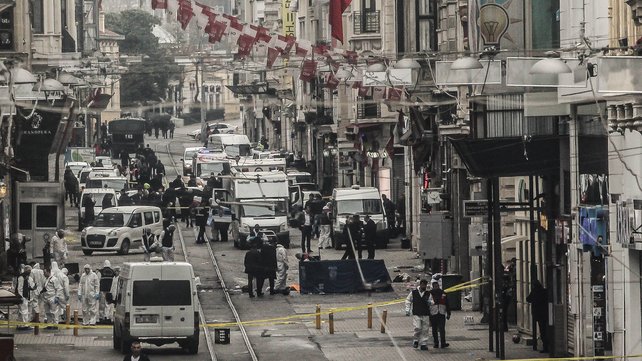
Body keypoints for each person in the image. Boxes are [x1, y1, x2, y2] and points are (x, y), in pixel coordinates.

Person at [405, 279, 431, 350]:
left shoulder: (428, 293)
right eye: (423, 285)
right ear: (420, 284)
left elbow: (432, 302)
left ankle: (423, 344)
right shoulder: (414, 293)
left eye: (425, 285)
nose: (424, 286)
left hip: (425, 313)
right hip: (417, 313)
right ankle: (416, 340)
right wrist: (407, 309)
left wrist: (430, 303)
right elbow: (408, 300)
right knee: (418, 327)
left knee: (425, 329)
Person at [526, 280, 549, 353]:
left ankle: (545, 347)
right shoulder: (544, 291)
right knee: (545, 330)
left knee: (542, 331)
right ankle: (546, 346)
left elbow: (528, 299)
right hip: (546, 313)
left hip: (539, 314)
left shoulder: (535, 292)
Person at [428, 280, 451, 348]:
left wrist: (448, 313)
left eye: (437, 286)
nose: (436, 288)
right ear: (433, 287)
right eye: (435, 286)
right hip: (433, 313)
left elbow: (447, 303)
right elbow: (427, 304)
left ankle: (443, 343)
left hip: (441, 313)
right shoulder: (429, 294)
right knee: (434, 329)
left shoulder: (443, 293)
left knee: (442, 329)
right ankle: (436, 343)